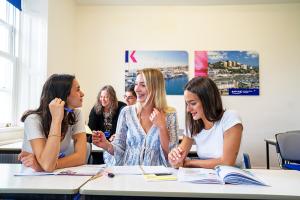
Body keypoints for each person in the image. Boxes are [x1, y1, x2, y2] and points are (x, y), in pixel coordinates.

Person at [93, 68, 178, 166]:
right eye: (136, 84)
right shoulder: (126, 112)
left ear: (156, 88)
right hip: (130, 175)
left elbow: (171, 156)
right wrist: (106, 145)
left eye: (143, 85)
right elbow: (120, 149)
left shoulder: (170, 114)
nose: (136, 89)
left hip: (157, 177)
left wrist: (162, 127)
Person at [168, 77, 243, 169]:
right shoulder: (193, 124)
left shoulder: (230, 118)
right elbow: (179, 158)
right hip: (207, 177)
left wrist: (189, 163)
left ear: (208, 101)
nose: (188, 109)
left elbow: (227, 162)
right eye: (187, 104)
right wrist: (174, 158)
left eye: (193, 103)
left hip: (233, 177)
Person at [18, 74, 87, 172]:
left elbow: (81, 157)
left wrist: (46, 165)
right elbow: (47, 165)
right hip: (30, 175)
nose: (82, 93)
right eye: (77, 89)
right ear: (64, 94)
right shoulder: (32, 120)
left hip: (51, 174)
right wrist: (56, 120)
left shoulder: (75, 113)